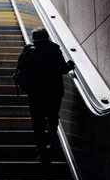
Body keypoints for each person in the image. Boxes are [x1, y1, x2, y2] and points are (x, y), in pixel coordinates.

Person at [14, 28, 74, 163]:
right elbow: (63, 69)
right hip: (54, 91)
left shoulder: (28, 51)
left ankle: (42, 153)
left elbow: (21, 71)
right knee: (53, 114)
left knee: (37, 122)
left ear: (33, 38)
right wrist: (70, 64)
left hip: (35, 93)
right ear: (47, 36)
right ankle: (52, 131)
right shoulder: (54, 49)